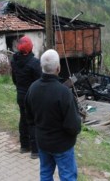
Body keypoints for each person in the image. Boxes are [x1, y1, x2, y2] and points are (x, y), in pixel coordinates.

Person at [25, 49, 81, 180]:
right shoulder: (64, 93)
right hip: (62, 145)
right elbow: (73, 126)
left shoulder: (32, 89)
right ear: (58, 68)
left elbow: (30, 118)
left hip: (43, 142)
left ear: (41, 67)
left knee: (45, 173)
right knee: (67, 176)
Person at [10, 36, 42, 159]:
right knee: (33, 122)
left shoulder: (14, 60)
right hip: (32, 96)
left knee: (23, 119)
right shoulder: (34, 63)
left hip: (20, 94)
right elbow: (40, 80)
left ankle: (24, 146)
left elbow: (14, 78)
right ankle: (35, 151)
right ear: (30, 47)